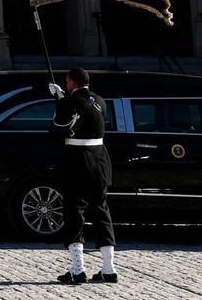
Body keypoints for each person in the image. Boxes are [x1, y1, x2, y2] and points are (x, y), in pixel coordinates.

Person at [49, 67, 117, 284]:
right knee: (101, 210)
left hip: (77, 159)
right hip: (100, 159)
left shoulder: (69, 102)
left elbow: (58, 129)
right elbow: (86, 115)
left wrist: (60, 102)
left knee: (74, 210)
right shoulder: (101, 100)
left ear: (71, 82)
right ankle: (109, 268)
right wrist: (64, 99)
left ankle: (77, 269)